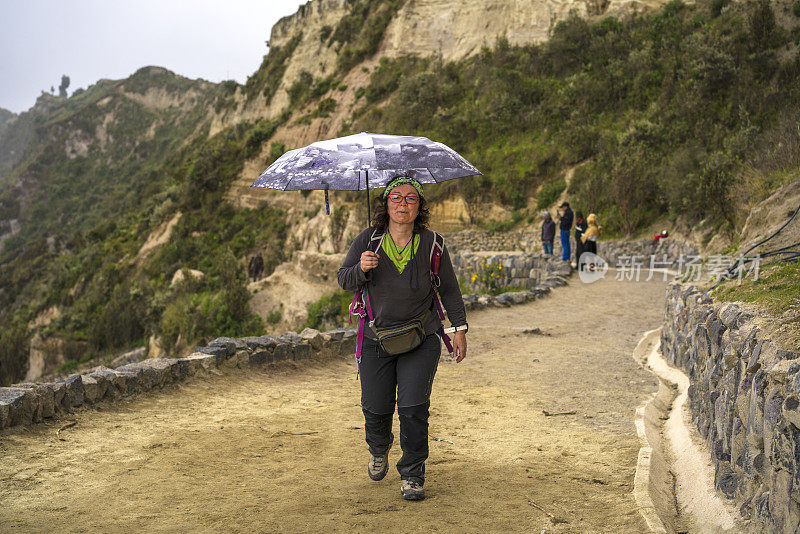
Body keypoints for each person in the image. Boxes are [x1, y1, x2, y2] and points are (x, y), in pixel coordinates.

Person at [337, 176, 468, 502]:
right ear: (385, 203)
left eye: (411, 198)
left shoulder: (433, 244)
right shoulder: (368, 240)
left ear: (420, 205)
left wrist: (459, 328)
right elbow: (344, 278)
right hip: (374, 339)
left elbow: (449, 289)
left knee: (413, 408)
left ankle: (412, 473)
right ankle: (379, 447)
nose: (403, 203)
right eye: (396, 197)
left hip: (421, 337)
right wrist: (361, 269)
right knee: (376, 408)